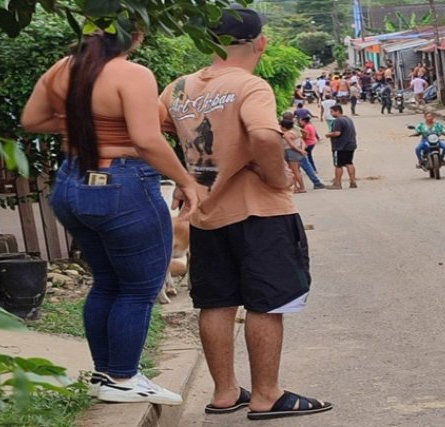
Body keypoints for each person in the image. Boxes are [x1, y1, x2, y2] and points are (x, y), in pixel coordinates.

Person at [159, 6, 332, 420]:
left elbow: (154, 129)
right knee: (266, 302)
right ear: (261, 42)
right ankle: (267, 395)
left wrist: (186, 176)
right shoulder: (250, 86)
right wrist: (275, 178)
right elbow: (262, 134)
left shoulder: (178, 88)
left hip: (206, 214)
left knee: (216, 302)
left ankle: (224, 393)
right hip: (261, 212)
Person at [21, 24, 199, 405]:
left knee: (106, 282)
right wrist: (186, 181)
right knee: (138, 287)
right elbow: (147, 140)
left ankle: (107, 375)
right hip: (123, 182)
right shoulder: (133, 75)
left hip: (72, 180)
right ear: (134, 34)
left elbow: (32, 121)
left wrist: (83, 125)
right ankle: (122, 377)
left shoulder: (62, 68)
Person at [324, 105, 358, 189]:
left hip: (340, 146)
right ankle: (353, 181)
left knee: (338, 165)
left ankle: (337, 183)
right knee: (349, 163)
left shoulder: (338, 121)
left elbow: (337, 133)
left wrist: (329, 134)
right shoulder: (348, 119)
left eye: (332, 112)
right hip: (350, 145)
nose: (331, 114)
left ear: (337, 111)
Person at [281, 119, 306, 193]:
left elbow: (292, 145)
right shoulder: (295, 132)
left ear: (284, 127)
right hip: (296, 152)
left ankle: (301, 187)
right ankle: (296, 187)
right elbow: (302, 142)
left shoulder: (286, 135)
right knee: (296, 171)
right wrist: (302, 150)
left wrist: (300, 150)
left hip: (291, 152)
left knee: (294, 171)